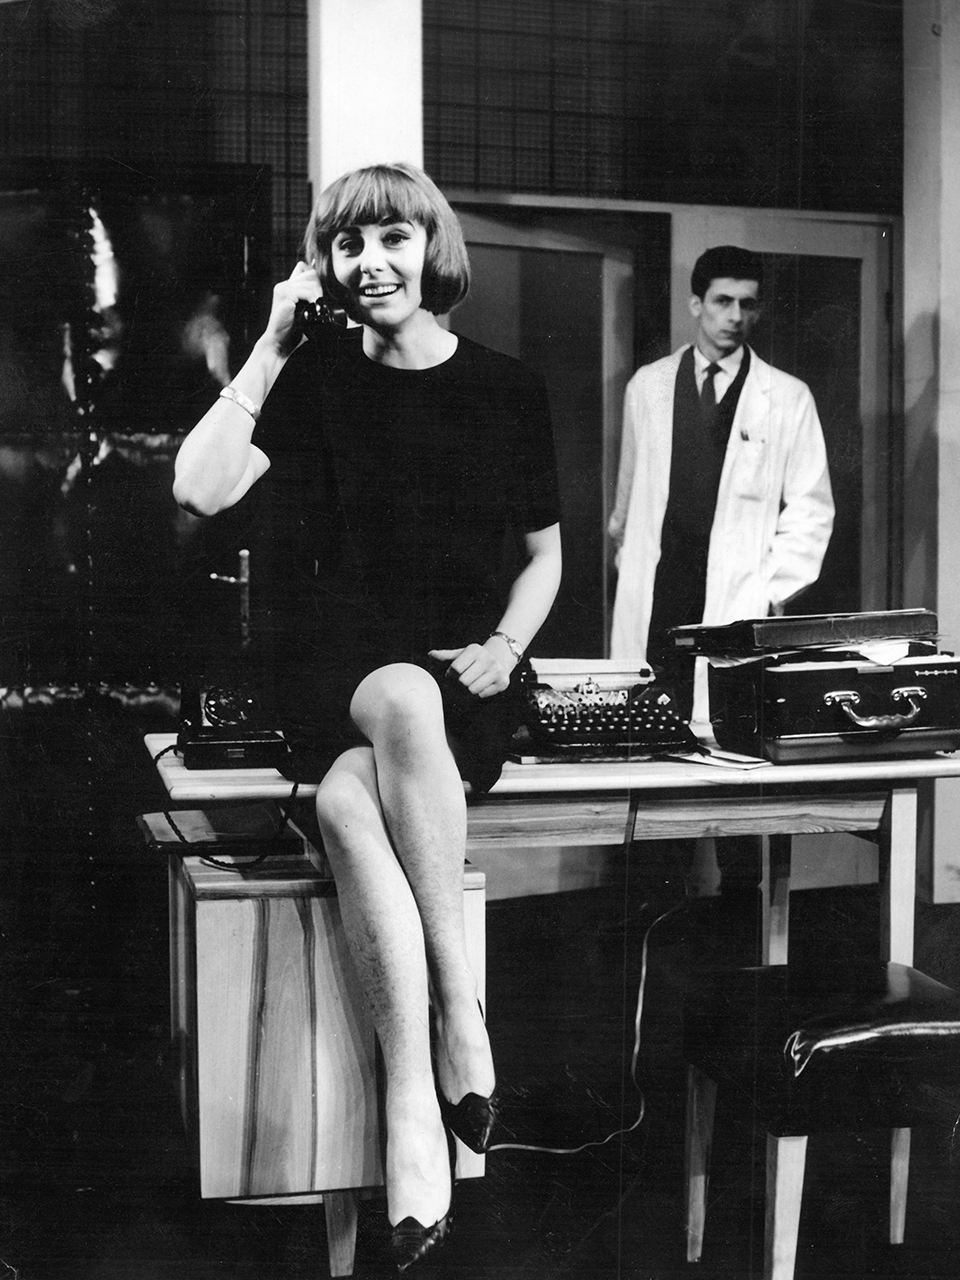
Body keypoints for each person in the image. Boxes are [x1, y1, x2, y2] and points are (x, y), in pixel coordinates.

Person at [172, 163, 562, 1271]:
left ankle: (409, 1106)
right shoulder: (314, 379)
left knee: (350, 803)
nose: (370, 261)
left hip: (463, 675)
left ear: (431, 247)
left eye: (392, 237)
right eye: (347, 245)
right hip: (339, 667)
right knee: (395, 693)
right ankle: (460, 1010)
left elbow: (545, 557)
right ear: (325, 265)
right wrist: (272, 343)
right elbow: (198, 488)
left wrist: (506, 646)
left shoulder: (506, 387)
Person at [608, 244, 834, 910]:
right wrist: (630, 563)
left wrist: (768, 591)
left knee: (736, 762)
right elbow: (627, 500)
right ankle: (655, 905)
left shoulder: (786, 398)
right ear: (696, 304)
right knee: (653, 752)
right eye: (723, 301)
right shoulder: (649, 386)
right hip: (660, 600)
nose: (736, 316)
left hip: (737, 606)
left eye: (748, 304)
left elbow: (812, 510)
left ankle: (737, 912)